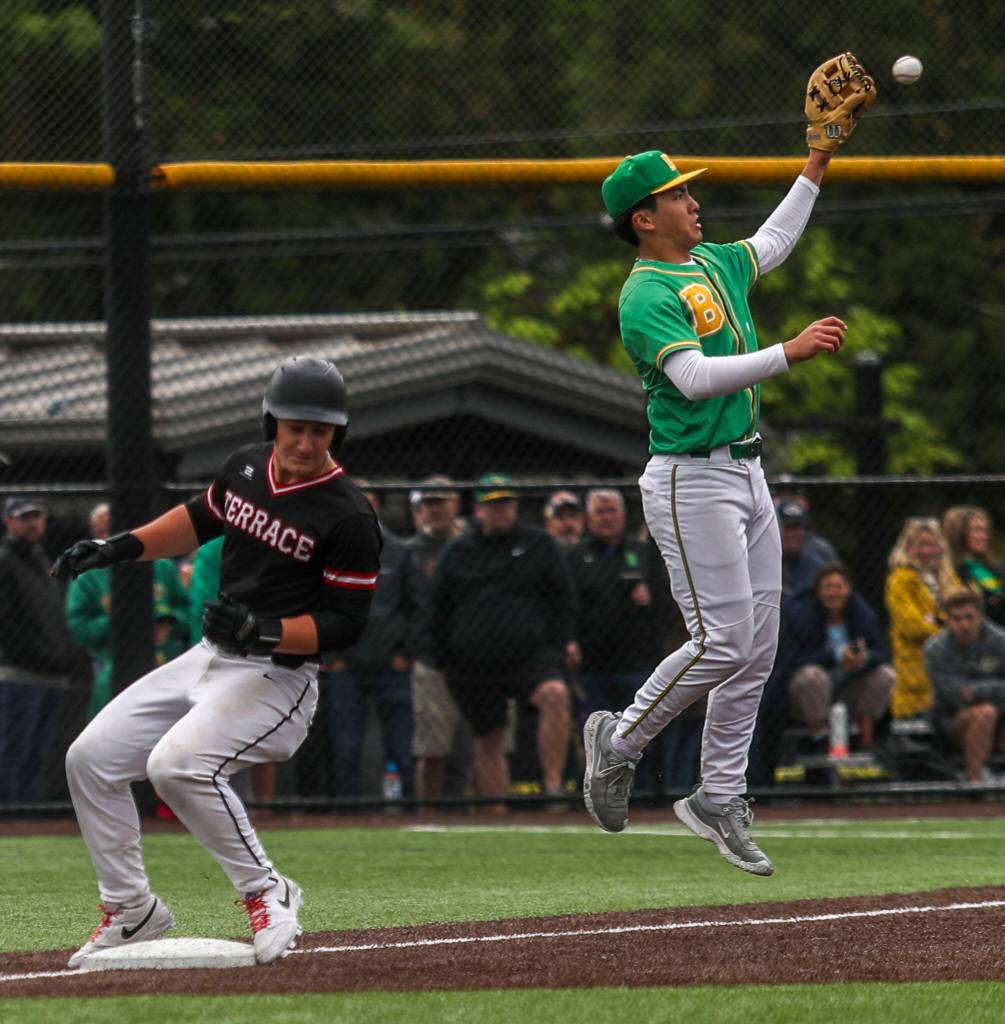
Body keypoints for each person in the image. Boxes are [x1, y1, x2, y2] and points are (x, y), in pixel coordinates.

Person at [583, 92, 866, 876]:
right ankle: (620, 738)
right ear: (642, 217)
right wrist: (788, 351)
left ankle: (716, 795)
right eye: (676, 193)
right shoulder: (644, 294)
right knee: (720, 641)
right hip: (688, 482)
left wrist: (816, 160)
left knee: (756, 650)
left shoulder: (708, 260)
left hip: (747, 475)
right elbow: (697, 377)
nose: (691, 200)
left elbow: (772, 242)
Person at [52, 355, 381, 967]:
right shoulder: (246, 468)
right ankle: (131, 909)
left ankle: (268, 890)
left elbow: (346, 625)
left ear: (339, 433)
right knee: (90, 758)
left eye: (320, 429)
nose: (306, 440)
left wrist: (267, 631)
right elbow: (200, 520)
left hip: (278, 681)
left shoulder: (350, 514)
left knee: (176, 766)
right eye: (295, 427)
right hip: (209, 658)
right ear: (272, 423)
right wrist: (118, 548)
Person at [430, 473, 575, 810]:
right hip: (472, 662)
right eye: (492, 505)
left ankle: (553, 788)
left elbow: (563, 599)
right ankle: (498, 811)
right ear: (478, 509)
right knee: (489, 737)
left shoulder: (539, 544)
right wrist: (442, 656)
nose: (500, 512)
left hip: (530, 656)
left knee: (555, 694)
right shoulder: (458, 551)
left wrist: (561, 642)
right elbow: (438, 606)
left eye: (506, 504)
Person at [567, 488, 692, 791]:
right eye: (600, 512)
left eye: (612, 511)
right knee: (598, 733)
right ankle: (600, 790)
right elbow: (566, 605)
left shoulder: (644, 553)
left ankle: (648, 793)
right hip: (594, 664)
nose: (606, 518)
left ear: (623, 516)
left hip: (640, 663)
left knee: (641, 732)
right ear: (589, 517)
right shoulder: (575, 557)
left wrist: (650, 599)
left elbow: (670, 602)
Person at [323, 487, 413, 801]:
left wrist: (405, 654)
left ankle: (410, 813)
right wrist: (333, 656)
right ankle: (346, 817)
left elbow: (415, 607)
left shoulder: (400, 552)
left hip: (392, 665)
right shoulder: (330, 552)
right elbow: (320, 604)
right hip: (346, 665)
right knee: (346, 748)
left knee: (402, 749)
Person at [65, 502, 190, 720]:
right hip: (111, 664)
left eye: (116, 528)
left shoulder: (161, 565)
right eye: (104, 531)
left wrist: (169, 625)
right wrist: (120, 622)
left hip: (165, 664)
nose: (111, 535)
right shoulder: (88, 574)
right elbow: (78, 627)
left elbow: (189, 611)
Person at [0, 496, 77, 804]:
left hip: (51, 673)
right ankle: (10, 816)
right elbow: (7, 624)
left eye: (37, 516)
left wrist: (61, 657)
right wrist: (44, 657)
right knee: (14, 750)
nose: (33, 523)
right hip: (20, 672)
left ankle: (28, 815)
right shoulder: (5, 560)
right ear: (8, 521)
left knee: (38, 752)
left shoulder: (42, 559)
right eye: (24, 517)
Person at [776, 563, 893, 752]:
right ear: (817, 591)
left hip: (848, 691)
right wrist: (836, 656)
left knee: (885, 674)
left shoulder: (862, 615)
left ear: (849, 590)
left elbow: (881, 654)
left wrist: (865, 659)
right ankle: (820, 738)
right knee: (813, 676)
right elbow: (791, 662)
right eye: (827, 587)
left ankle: (865, 735)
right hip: (806, 697)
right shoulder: (799, 616)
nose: (834, 593)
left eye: (839, 587)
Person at [404, 475, 470, 803]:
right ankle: (427, 814)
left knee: (475, 745)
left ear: (455, 504)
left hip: (475, 659)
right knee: (432, 748)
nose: (435, 509)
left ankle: (487, 817)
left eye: (440, 502)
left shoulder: (473, 545)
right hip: (431, 659)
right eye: (428, 504)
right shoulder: (411, 552)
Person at [924, 589, 1005, 782]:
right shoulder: (935, 649)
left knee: (991, 713)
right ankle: (974, 783)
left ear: (980, 616)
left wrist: (976, 690)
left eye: (969, 617)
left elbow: (967, 691)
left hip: (1001, 713)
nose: (964, 625)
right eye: (957, 619)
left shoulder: (1001, 641)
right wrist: (995, 692)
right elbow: (953, 694)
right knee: (985, 713)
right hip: (951, 721)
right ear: (948, 620)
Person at [885, 516, 962, 719]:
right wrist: (949, 626)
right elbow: (913, 627)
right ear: (908, 547)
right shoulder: (900, 580)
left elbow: (968, 609)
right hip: (917, 673)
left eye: (933, 545)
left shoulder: (947, 577)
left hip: (954, 666)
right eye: (921, 545)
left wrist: (936, 621)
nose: (927, 551)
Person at [942, 505, 1005, 627]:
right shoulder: (948, 570)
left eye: (985, 531)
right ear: (958, 534)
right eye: (977, 530)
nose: (984, 536)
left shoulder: (994, 565)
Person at [777, 499, 833, 601]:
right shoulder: (763, 560)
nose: (791, 534)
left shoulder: (819, 556)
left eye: (796, 527)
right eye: (786, 527)